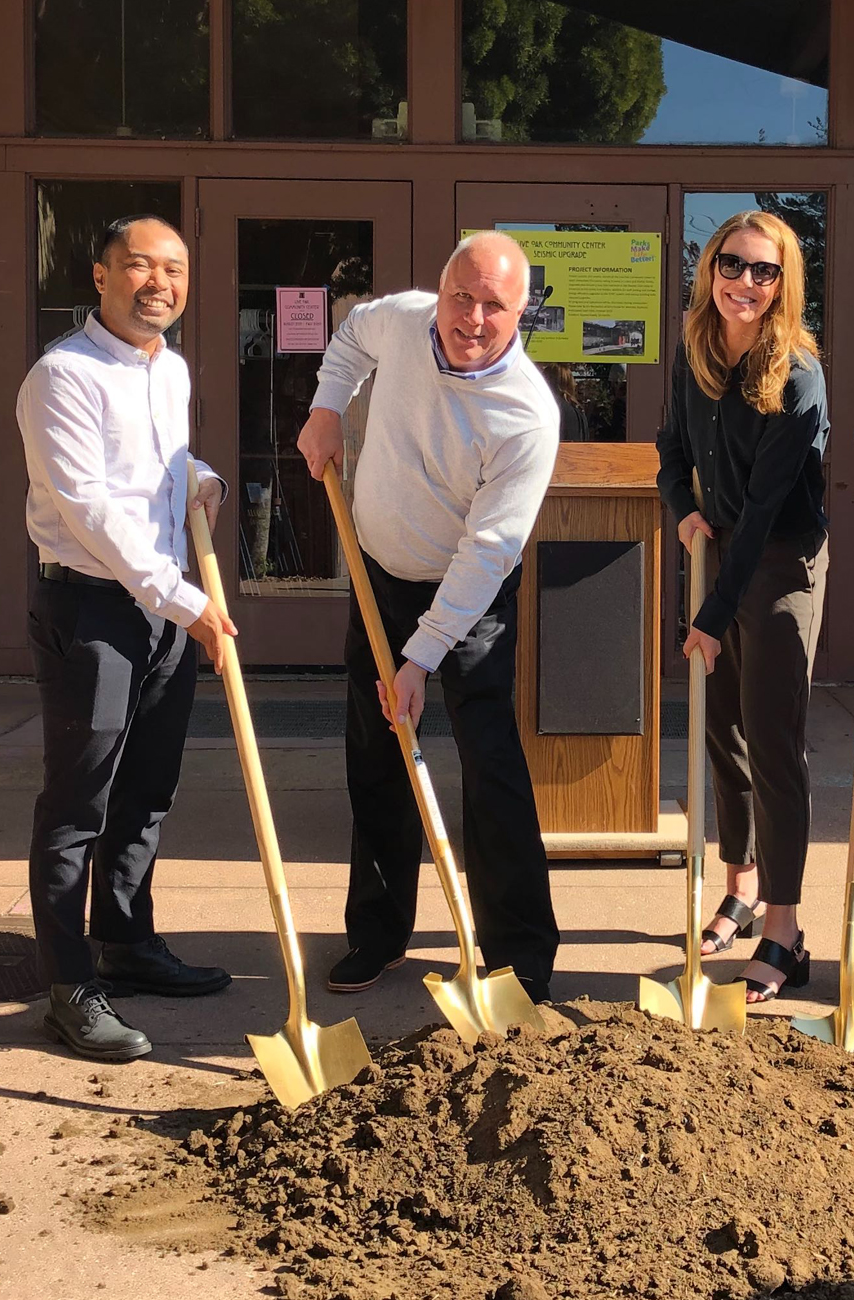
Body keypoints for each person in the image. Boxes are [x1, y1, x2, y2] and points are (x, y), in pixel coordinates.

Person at [295, 231, 562, 1004]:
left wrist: (421, 657)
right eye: (461, 296)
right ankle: (376, 935)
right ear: (439, 290)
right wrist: (325, 408)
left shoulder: (527, 417)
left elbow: (489, 551)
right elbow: (348, 341)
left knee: (490, 762)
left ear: (521, 314)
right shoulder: (405, 320)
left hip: (466, 595)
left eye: (494, 306)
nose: (472, 318)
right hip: (379, 571)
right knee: (374, 754)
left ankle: (519, 951)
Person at [17, 214, 237, 1063]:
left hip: (163, 609)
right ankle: (70, 988)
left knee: (145, 792)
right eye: (140, 266)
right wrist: (184, 600)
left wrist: (203, 478)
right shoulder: (60, 377)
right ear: (100, 275)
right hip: (93, 612)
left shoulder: (169, 368)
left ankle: (127, 941)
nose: (160, 283)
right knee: (78, 804)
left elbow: (162, 468)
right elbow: (93, 511)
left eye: (175, 269)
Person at [655, 211, 829, 1004]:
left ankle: (785, 929)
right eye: (733, 265)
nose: (746, 284)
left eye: (765, 271)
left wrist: (713, 613)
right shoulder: (695, 353)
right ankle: (742, 883)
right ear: (710, 269)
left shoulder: (797, 377)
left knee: (772, 741)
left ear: (783, 283)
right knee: (720, 731)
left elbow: (764, 513)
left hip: (781, 564)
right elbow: (671, 452)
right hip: (719, 551)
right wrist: (679, 510)